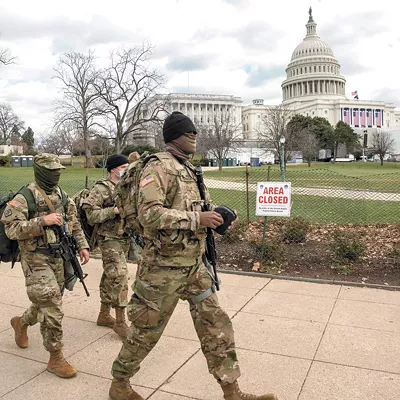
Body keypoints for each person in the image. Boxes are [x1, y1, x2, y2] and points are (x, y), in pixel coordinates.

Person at [109, 112, 278, 400]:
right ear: (175, 135)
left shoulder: (188, 169)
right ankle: (120, 384)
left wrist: (218, 217)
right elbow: (149, 214)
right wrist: (197, 219)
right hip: (162, 269)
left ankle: (232, 392)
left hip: (194, 267)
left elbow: (197, 208)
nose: (195, 137)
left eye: (195, 133)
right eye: (190, 133)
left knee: (217, 325)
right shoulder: (158, 167)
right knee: (146, 332)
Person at [1, 153, 90, 379]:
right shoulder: (24, 198)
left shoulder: (62, 195)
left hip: (59, 257)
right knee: (52, 305)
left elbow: (74, 222)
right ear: (41, 172)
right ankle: (55, 358)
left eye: (57, 170)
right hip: (35, 260)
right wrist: (42, 221)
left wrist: (83, 246)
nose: (56, 175)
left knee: (46, 303)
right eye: (51, 171)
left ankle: (21, 322)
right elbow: (11, 229)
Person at [82, 154, 130, 338]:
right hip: (108, 238)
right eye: (122, 166)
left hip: (124, 237)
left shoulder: (127, 188)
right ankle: (120, 322)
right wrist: (113, 211)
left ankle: (103, 314)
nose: (125, 169)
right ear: (113, 169)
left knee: (111, 275)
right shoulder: (101, 189)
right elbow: (91, 215)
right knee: (120, 275)